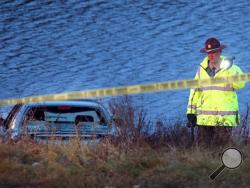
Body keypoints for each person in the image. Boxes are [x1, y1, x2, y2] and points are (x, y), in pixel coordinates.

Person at [186, 37, 245, 146]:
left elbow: (240, 84)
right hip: (205, 119)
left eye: (214, 52)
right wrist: (190, 112)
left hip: (224, 119)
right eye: (209, 53)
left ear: (220, 52)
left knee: (222, 149)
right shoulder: (201, 70)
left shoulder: (231, 68)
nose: (211, 55)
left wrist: (230, 68)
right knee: (203, 151)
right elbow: (194, 92)